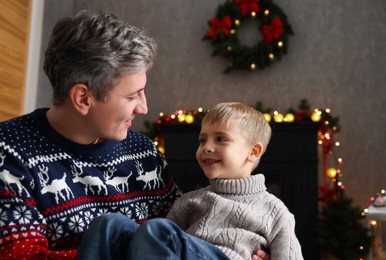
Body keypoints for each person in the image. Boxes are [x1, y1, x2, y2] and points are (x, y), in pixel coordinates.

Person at [0, 11, 269, 260]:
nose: (143, 107)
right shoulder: (10, 153)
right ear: (83, 98)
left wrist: (245, 250)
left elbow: (186, 233)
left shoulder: (142, 150)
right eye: (132, 96)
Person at [77, 102, 301, 259]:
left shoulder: (275, 211)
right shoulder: (189, 201)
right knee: (109, 224)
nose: (207, 147)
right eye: (203, 140)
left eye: (221, 138)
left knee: (158, 230)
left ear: (253, 152)